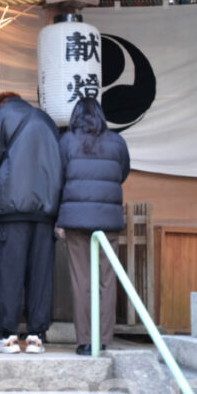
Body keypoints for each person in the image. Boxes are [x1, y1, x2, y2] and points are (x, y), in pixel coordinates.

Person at [0, 91, 63, 355]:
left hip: (8, 208)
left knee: (8, 274)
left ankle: (7, 335)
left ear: (0, 104)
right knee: (40, 274)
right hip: (45, 210)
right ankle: (36, 336)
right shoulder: (46, 121)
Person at [56, 97, 130, 356]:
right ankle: (103, 339)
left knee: (81, 280)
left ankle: (85, 341)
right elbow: (122, 173)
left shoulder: (66, 141)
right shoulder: (117, 142)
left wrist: (58, 219)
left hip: (75, 220)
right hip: (108, 220)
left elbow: (58, 177)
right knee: (106, 281)